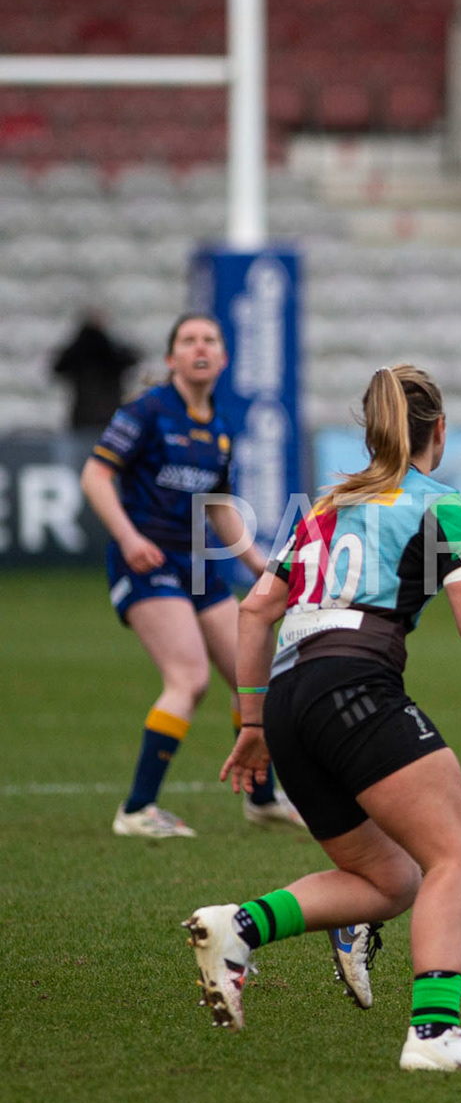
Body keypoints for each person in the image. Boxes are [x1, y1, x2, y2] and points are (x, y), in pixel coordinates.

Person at [185, 365, 461, 1070]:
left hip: (289, 702)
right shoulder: (446, 505)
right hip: (353, 683)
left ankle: (239, 926)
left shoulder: (325, 506)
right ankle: (434, 1033)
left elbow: (255, 609)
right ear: (439, 430)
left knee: (390, 880)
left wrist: (251, 724)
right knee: (453, 852)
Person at [79, 313, 304, 838]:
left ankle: (262, 799)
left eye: (209, 340)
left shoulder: (219, 427)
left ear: (223, 358)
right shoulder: (147, 411)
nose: (199, 347)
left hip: (196, 563)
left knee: (253, 675)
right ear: (171, 358)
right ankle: (136, 810)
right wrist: (129, 538)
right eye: (188, 340)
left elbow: (218, 505)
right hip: (147, 561)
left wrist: (259, 563)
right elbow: (95, 474)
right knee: (188, 679)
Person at [51, 309, 140, 429]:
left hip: (85, 415)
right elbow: (133, 359)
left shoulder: (78, 352)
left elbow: (58, 368)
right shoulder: (111, 352)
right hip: (107, 414)